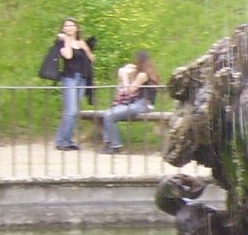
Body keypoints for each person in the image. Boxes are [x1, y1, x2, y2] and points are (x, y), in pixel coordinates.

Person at [43, 18, 94, 151]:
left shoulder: (81, 42)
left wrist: (86, 48)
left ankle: (65, 140)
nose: (70, 28)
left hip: (82, 78)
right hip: (69, 78)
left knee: (73, 111)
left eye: (72, 25)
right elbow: (68, 56)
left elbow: (92, 60)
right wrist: (66, 39)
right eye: (67, 26)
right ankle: (63, 141)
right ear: (63, 29)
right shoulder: (61, 44)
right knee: (70, 111)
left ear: (77, 28)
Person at [101, 49, 161, 153]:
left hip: (141, 104)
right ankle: (109, 144)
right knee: (109, 113)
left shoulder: (143, 75)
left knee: (109, 115)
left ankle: (115, 145)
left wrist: (124, 77)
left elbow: (129, 90)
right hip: (140, 104)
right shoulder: (148, 73)